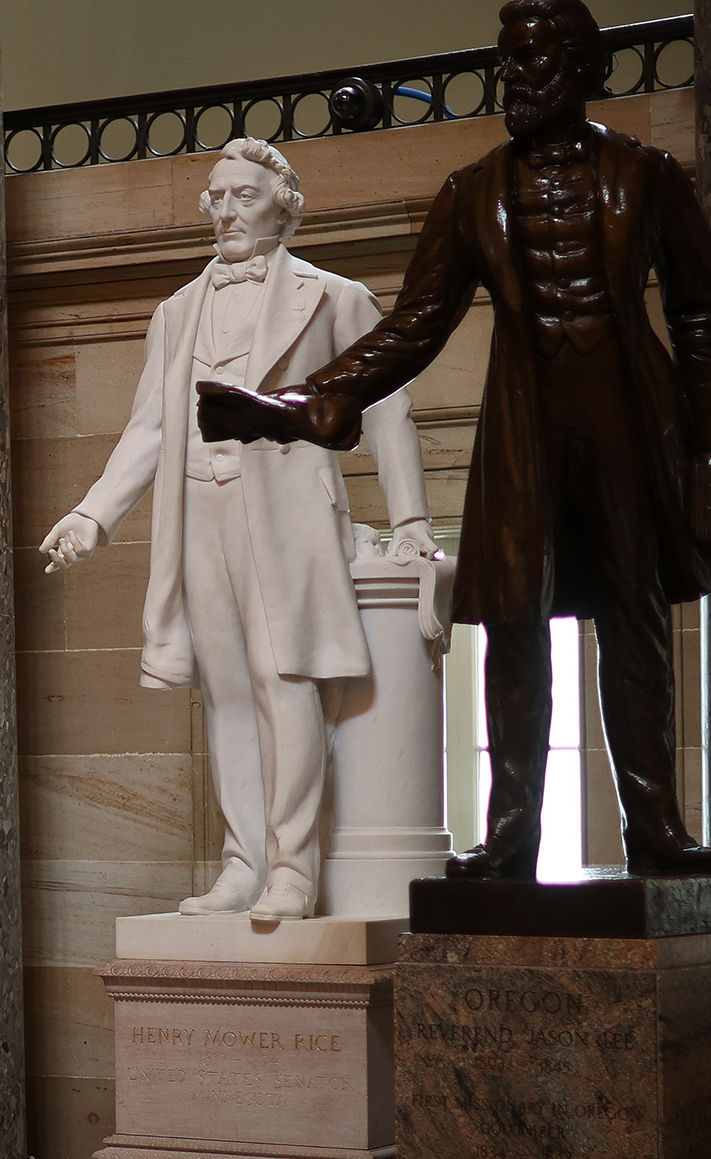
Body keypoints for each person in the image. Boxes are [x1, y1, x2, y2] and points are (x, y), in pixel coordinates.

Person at [196, 0, 711, 878]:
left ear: (584, 70)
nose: (516, 79)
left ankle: (656, 829)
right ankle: (512, 832)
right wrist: (305, 398)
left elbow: (704, 320)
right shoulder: (472, 191)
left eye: (536, 61)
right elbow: (412, 328)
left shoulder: (647, 176)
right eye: (508, 60)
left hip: (630, 422)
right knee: (516, 625)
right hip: (526, 427)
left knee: (635, 625)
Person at [42, 138, 437, 920]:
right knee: (223, 690)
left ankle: (291, 869)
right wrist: (94, 513)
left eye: (242, 195)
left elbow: (389, 408)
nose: (225, 209)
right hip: (200, 512)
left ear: (283, 203)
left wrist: (414, 517)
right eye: (216, 196)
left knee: (282, 679)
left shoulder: (334, 297)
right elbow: (150, 427)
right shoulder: (176, 311)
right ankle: (242, 863)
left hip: (285, 513)